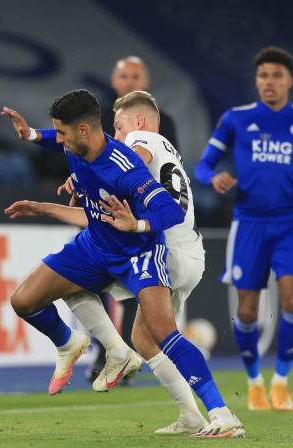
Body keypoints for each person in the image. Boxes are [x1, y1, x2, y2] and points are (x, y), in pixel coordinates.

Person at [1, 89, 244, 438]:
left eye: (118, 126)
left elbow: (164, 204)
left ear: (85, 131)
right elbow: (62, 142)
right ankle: (92, 349)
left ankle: (221, 413)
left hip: (143, 251)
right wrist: (32, 135)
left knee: (160, 334)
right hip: (102, 245)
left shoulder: (131, 156)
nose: (63, 142)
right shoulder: (80, 146)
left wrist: (137, 223)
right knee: (26, 299)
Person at [194, 46, 293, 412]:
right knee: (247, 312)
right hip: (249, 223)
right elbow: (202, 167)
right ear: (256, 80)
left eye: (276, 75)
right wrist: (215, 178)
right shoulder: (235, 119)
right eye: (263, 76)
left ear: (289, 80)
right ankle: (254, 381)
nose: (269, 82)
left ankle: (281, 382)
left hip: (292, 221)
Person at [91, 55, 179, 383]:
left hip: (138, 215)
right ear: (115, 82)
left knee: (135, 294)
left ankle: (121, 356)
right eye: (124, 76)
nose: (129, 82)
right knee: (91, 283)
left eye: (136, 76)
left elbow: (167, 170)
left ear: (146, 83)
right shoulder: (98, 119)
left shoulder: (161, 123)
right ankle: (108, 350)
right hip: (105, 211)